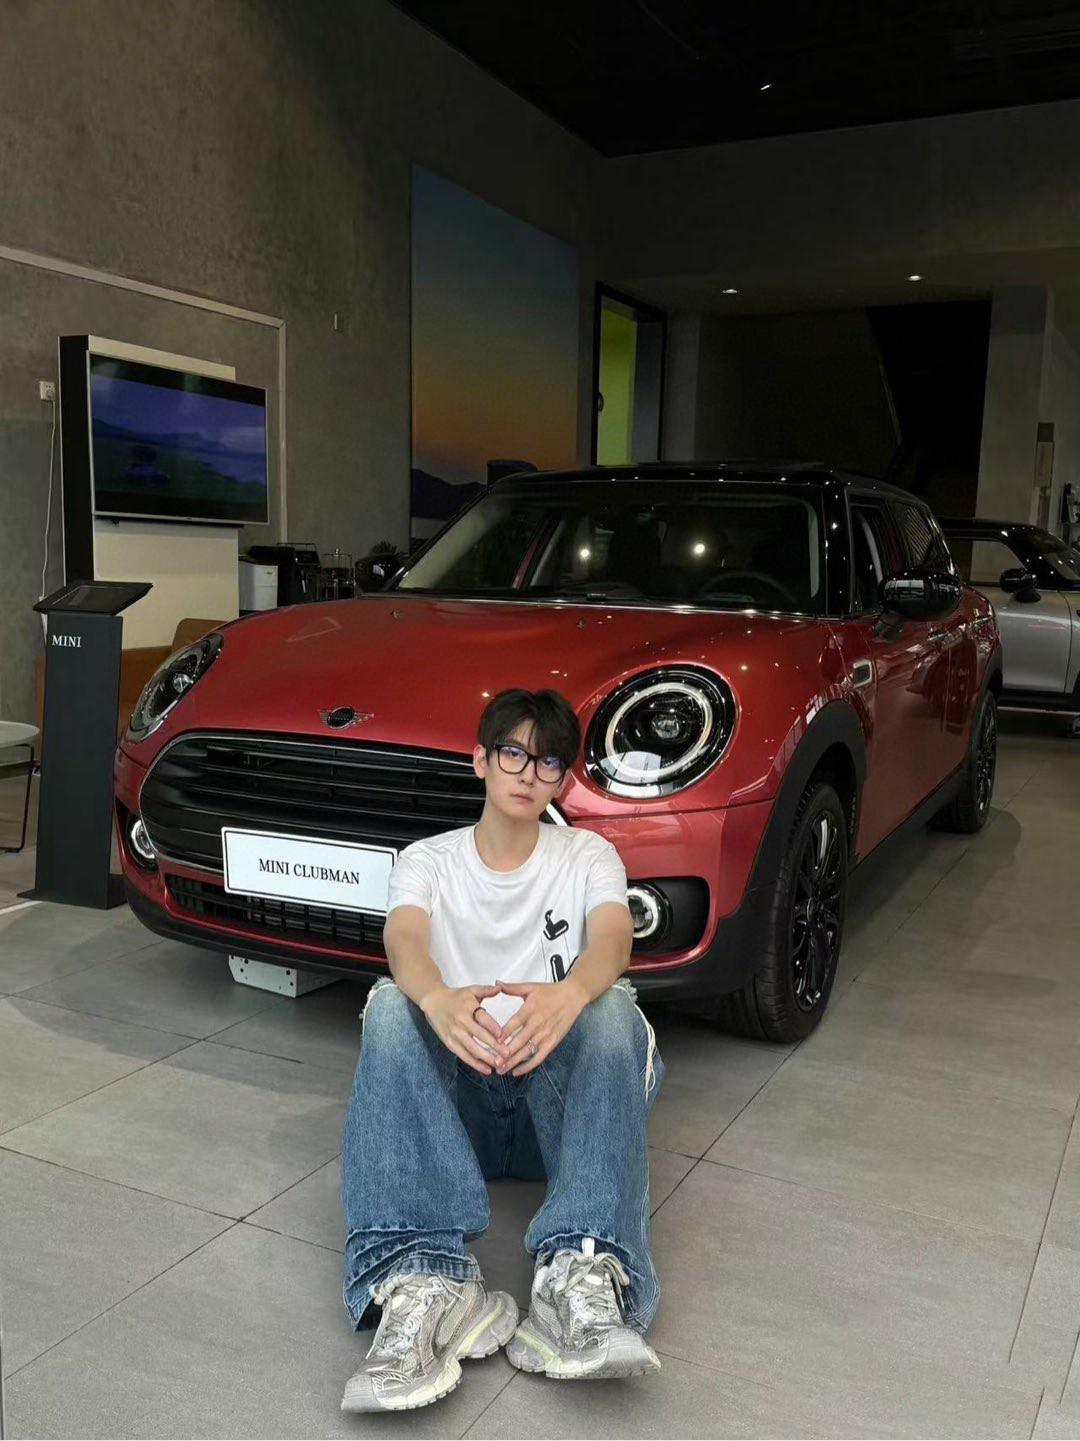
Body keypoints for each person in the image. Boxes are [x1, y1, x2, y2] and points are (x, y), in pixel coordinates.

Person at [339, 687, 665, 1413]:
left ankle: (579, 1278)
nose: (527, 773)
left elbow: (614, 938)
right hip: (459, 1116)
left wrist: (570, 994)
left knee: (615, 1009)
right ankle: (427, 1280)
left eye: (548, 762)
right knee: (390, 1005)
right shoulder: (428, 860)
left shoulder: (589, 855)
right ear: (480, 760)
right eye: (513, 753)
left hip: (557, 1120)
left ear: (562, 779)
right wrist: (437, 997)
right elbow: (403, 938)